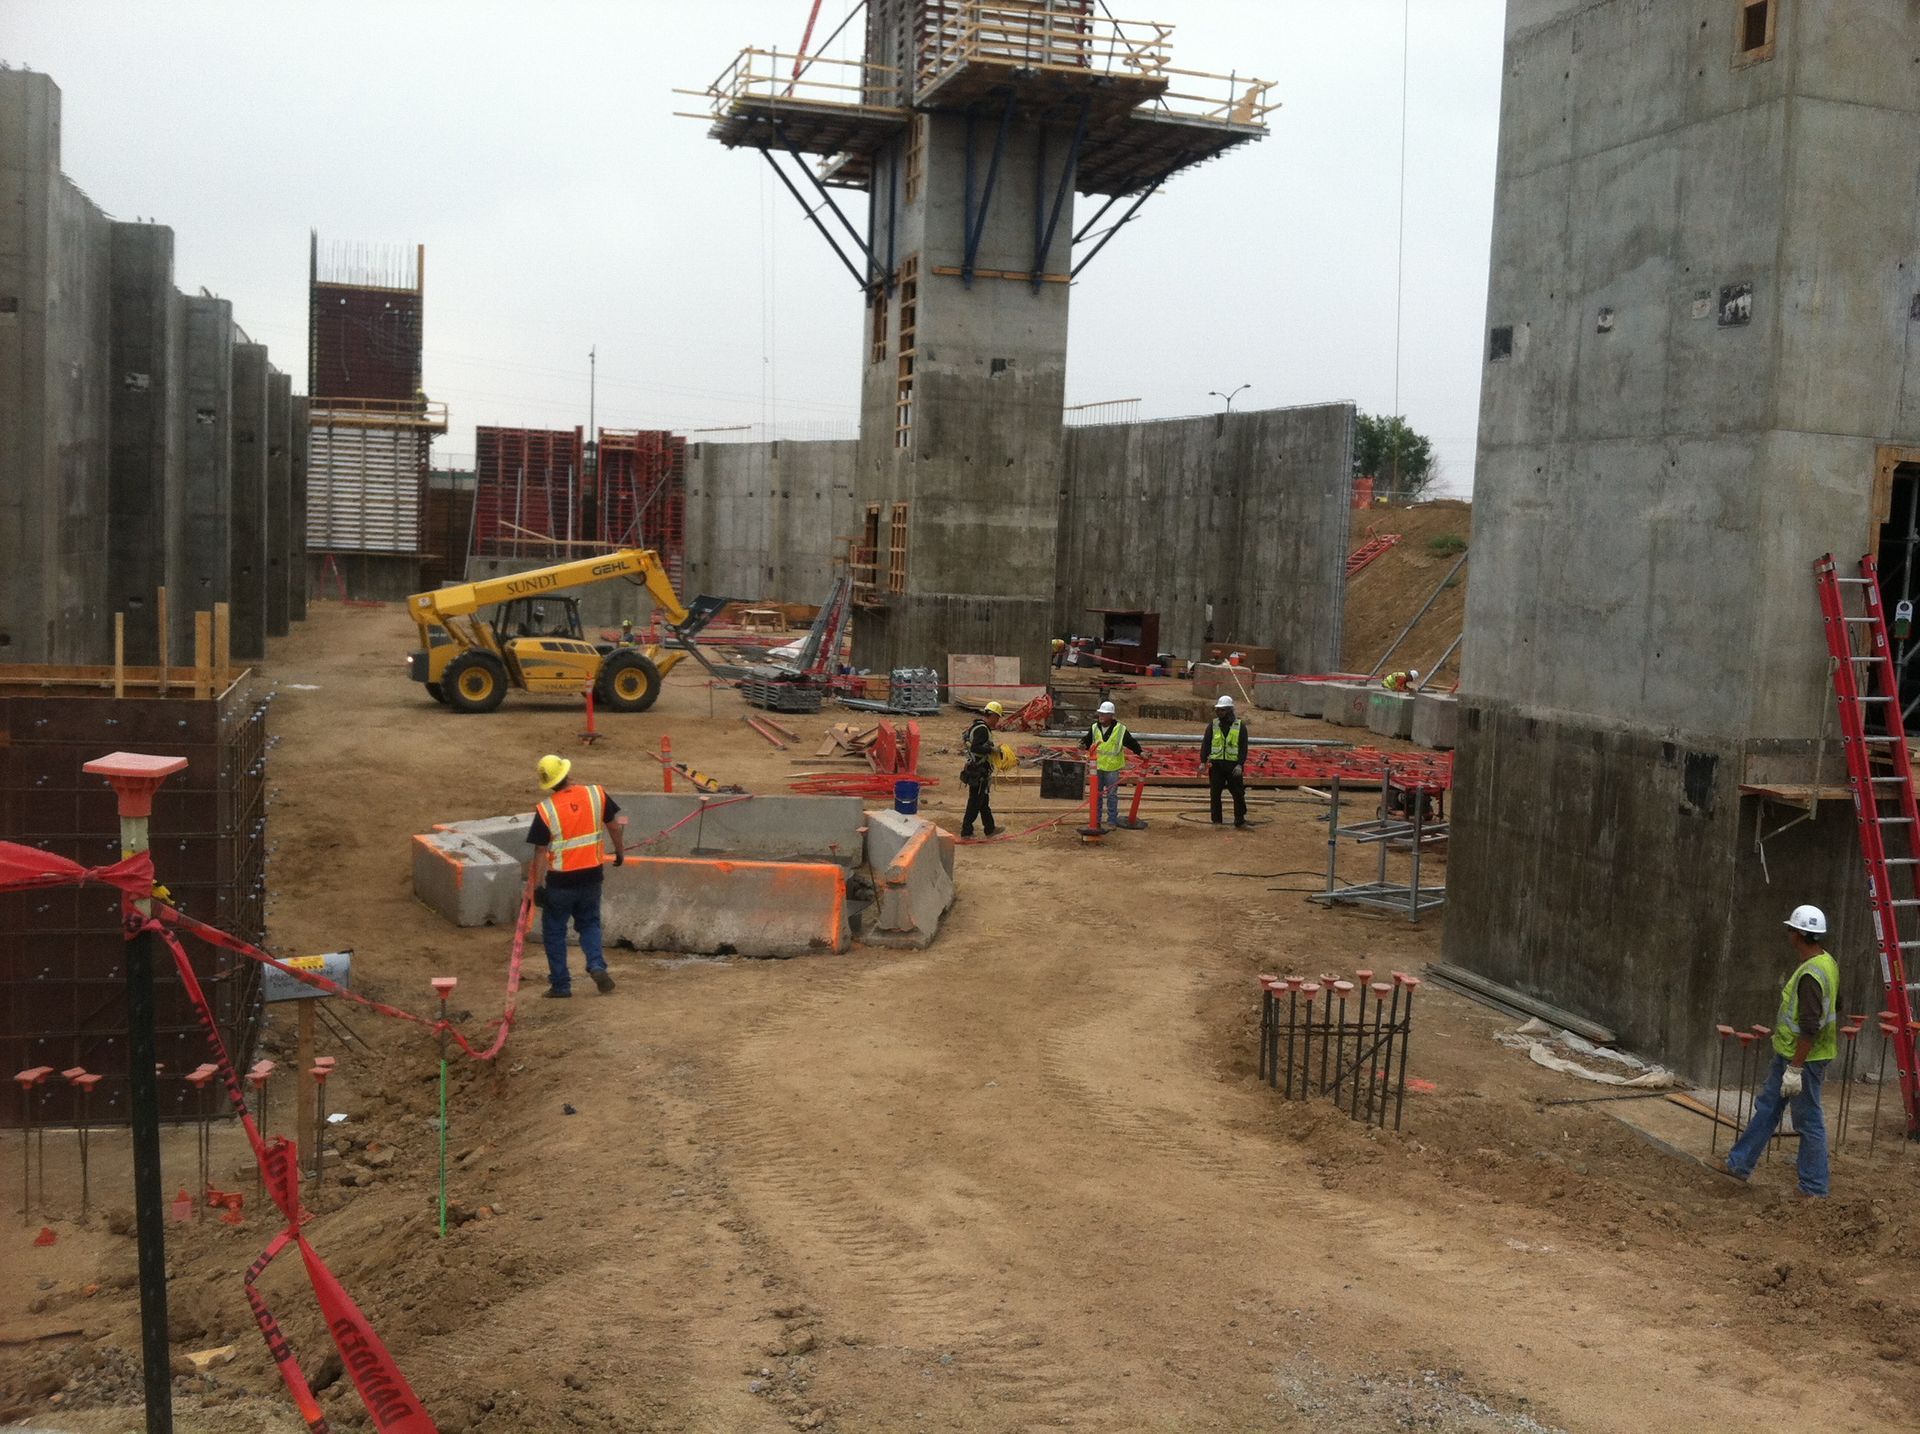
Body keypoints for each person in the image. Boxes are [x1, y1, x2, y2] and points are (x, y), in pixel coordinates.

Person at [1725, 904, 1840, 1196]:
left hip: (1804, 1060)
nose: (1788, 933)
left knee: (1808, 1121)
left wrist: (1796, 1068)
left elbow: (1811, 1025)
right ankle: (1739, 1164)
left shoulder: (1811, 974)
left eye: (1791, 929)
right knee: (1768, 1107)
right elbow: (1835, 1006)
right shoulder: (1826, 962)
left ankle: (1814, 1187)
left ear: (1800, 934)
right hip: (1792, 1055)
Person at [527, 754, 624, 998]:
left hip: (560, 883)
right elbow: (613, 826)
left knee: (554, 932)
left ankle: (561, 985)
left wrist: (537, 887)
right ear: (567, 774)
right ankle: (597, 965)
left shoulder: (546, 810)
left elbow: (540, 851)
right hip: (592, 876)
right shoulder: (596, 794)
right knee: (590, 923)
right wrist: (620, 853)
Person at [1081, 700, 1143, 829]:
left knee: (1112, 795)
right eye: (1100, 714)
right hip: (1097, 768)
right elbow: (1087, 741)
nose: (1101, 716)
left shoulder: (1120, 729)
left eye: (1104, 714)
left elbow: (1131, 742)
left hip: (1112, 768)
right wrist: (1082, 744)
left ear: (1111, 715)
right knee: (1096, 795)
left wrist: (1141, 752)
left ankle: (1112, 821)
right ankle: (1096, 820)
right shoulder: (1094, 727)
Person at [1201, 694, 1250, 827]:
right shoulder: (1214, 725)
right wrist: (1202, 761)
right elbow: (1206, 743)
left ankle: (1239, 819)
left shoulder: (1240, 726)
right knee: (1215, 794)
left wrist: (1240, 764)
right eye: (1218, 710)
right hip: (1217, 766)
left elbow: (1243, 747)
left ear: (1229, 710)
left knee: (1238, 794)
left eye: (1222, 710)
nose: (1219, 712)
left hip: (1233, 767)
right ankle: (1216, 820)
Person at [961, 702, 1003, 839]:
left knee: (983, 801)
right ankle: (966, 831)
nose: (998, 721)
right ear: (992, 715)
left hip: (978, 770)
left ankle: (989, 828)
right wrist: (992, 750)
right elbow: (975, 747)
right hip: (979, 771)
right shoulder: (982, 729)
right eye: (997, 717)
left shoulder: (977, 726)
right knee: (975, 802)